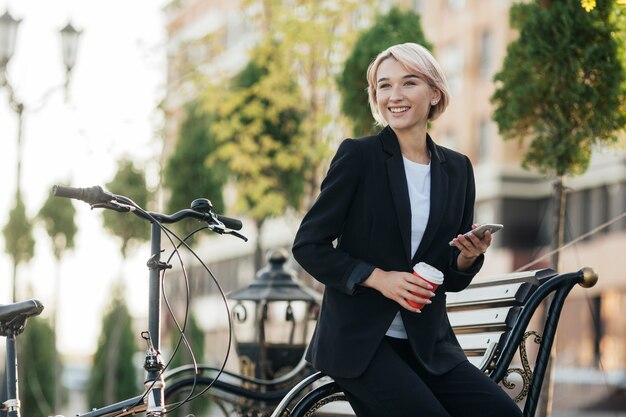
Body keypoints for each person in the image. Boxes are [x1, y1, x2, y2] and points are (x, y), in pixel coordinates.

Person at [292, 43, 522, 417]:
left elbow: (451, 277)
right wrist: (377, 278)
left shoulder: (459, 169)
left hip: (428, 346)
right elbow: (308, 245)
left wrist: (466, 258)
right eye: (384, 86)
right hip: (360, 345)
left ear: (434, 93)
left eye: (408, 83)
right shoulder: (359, 156)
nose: (394, 96)